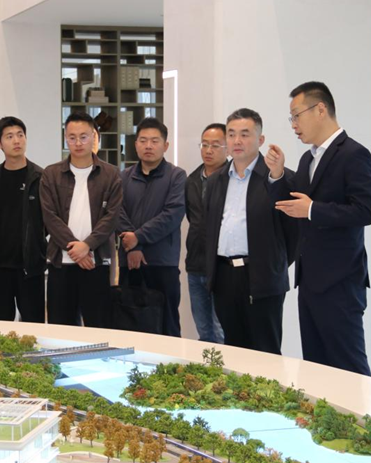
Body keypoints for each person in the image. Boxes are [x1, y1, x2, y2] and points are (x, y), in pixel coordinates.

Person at [265, 81, 371, 376]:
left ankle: (361, 409)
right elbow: (296, 203)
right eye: (291, 118)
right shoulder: (308, 158)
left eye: (296, 116)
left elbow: (366, 210)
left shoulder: (354, 154)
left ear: (320, 109)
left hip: (341, 281)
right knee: (316, 367)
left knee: (348, 366)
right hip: (310, 280)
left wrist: (313, 209)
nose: (293, 125)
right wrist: (278, 175)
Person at [204, 108, 297, 354]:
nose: (237, 141)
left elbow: (294, 234)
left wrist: (274, 264)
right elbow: (208, 228)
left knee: (265, 352)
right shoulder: (215, 181)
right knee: (233, 350)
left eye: (245, 134)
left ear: (260, 139)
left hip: (261, 277)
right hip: (224, 276)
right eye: (231, 134)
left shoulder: (278, 178)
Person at [40, 111, 122, 327]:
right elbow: (49, 216)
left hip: (96, 262)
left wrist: (87, 246)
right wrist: (76, 249)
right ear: (65, 138)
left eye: (83, 137)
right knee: (61, 328)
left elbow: (111, 217)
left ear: (94, 137)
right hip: (60, 263)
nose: (78, 143)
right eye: (72, 137)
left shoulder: (111, 174)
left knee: (98, 327)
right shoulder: (51, 174)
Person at [118, 117, 186, 337]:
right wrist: (133, 247)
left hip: (162, 263)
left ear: (165, 145)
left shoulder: (176, 176)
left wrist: (137, 238)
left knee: (167, 325)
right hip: (129, 262)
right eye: (143, 140)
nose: (148, 146)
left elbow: (172, 214)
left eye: (155, 141)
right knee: (129, 324)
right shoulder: (124, 177)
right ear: (135, 144)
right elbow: (117, 212)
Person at [0, 116, 46, 323]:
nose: (16, 140)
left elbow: (47, 219)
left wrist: (36, 242)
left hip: (30, 265)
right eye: (9, 136)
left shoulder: (40, 177)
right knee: (1, 324)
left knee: (33, 324)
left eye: (20, 135)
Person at [185, 123, 227, 343]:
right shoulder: (191, 180)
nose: (208, 150)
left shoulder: (232, 179)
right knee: (203, 331)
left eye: (215, 145)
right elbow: (193, 219)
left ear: (228, 148)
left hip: (221, 267)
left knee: (221, 331)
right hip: (195, 264)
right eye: (204, 144)